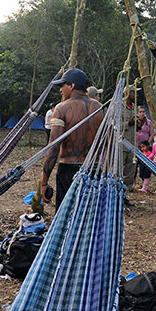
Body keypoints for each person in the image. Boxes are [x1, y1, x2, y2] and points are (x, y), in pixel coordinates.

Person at [41, 68, 104, 208]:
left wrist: (44, 182)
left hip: (68, 171)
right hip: (94, 170)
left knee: (66, 214)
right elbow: (109, 143)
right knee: (88, 215)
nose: (60, 90)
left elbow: (53, 148)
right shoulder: (100, 108)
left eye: (62, 85)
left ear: (72, 86)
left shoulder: (62, 108)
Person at [122, 85, 139, 196]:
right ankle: (116, 196)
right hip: (121, 145)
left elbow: (135, 126)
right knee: (118, 172)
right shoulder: (118, 106)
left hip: (132, 145)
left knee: (130, 172)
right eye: (134, 92)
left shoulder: (134, 107)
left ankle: (125, 196)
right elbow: (114, 124)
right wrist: (129, 123)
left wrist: (138, 124)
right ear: (128, 93)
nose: (136, 95)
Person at [136, 106, 154, 192]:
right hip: (136, 145)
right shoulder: (135, 121)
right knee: (134, 165)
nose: (142, 113)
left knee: (145, 166)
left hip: (145, 147)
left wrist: (147, 144)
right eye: (140, 112)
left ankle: (145, 184)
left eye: (143, 112)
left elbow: (151, 134)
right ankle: (134, 183)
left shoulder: (149, 122)